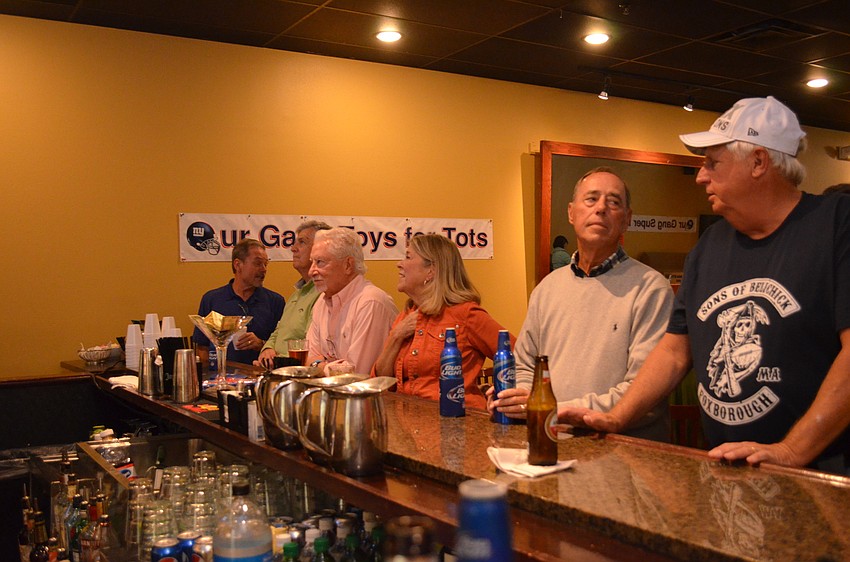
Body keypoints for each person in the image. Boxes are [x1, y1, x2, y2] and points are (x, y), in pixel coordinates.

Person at [562, 96, 850, 474]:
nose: (701, 176)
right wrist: (617, 417)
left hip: (819, 474)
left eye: (713, 163)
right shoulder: (710, 245)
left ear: (758, 162)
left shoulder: (836, 224)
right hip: (729, 466)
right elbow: (674, 352)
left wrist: (792, 450)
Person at [489, 167, 674, 441]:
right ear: (571, 212)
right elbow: (525, 366)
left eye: (614, 202)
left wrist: (554, 409)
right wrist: (516, 399)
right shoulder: (547, 289)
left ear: (627, 219)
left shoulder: (651, 288)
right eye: (591, 199)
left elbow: (642, 391)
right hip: (551, 443)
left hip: (621, 450)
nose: (601, 208)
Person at [372, 234, 515, 410]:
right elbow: (381, 383)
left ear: (431, 271)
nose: (399, 264)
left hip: (458, 421)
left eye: (408, 257)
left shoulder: (466, 315)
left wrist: (501, 395)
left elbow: (521, 356)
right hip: (409, 421)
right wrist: (396, 335)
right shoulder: (406, 316)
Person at [306, 227, 398, 374]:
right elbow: (308, 359)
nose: (311, 271)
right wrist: (326, 367)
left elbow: (357, 374)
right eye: (312, 262)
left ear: (348, 265)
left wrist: (320, 366)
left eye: (320, 262)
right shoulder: (321, 302)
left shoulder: (370, 303)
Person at [192, 238, 285, 366]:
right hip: (221, 375)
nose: (263, 269)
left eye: (265, 264)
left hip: (261, 374)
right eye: (258, 263)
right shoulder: (212, 300)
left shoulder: (275, 301)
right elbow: (202, 348)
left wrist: (261, 344)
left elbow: (282, 346)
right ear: (237, 265)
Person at [255, 220, 331, 369]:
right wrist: (267, 349)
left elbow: (311, 346)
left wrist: (277, 364)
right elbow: (279, 331)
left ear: (320, 249)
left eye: (302, 242)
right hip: (280, 368)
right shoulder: (296, 294)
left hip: (297, 372)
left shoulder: (323, 293)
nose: (293, 248)